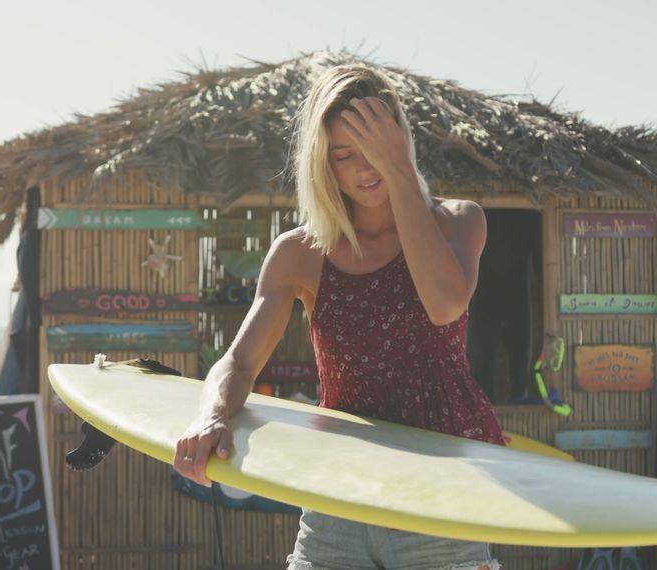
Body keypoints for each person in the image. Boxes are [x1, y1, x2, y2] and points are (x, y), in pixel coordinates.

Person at [172, 64, 503, 570]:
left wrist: (399, 174)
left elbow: (444, 306)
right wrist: (211, 414)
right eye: (345, 156)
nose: (365, 170)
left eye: (377, 151)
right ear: (323, 163)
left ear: (400, 143)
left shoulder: (459, 221)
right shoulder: (299, 252)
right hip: (338, 497)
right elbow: (238, 363)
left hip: (441, 494)